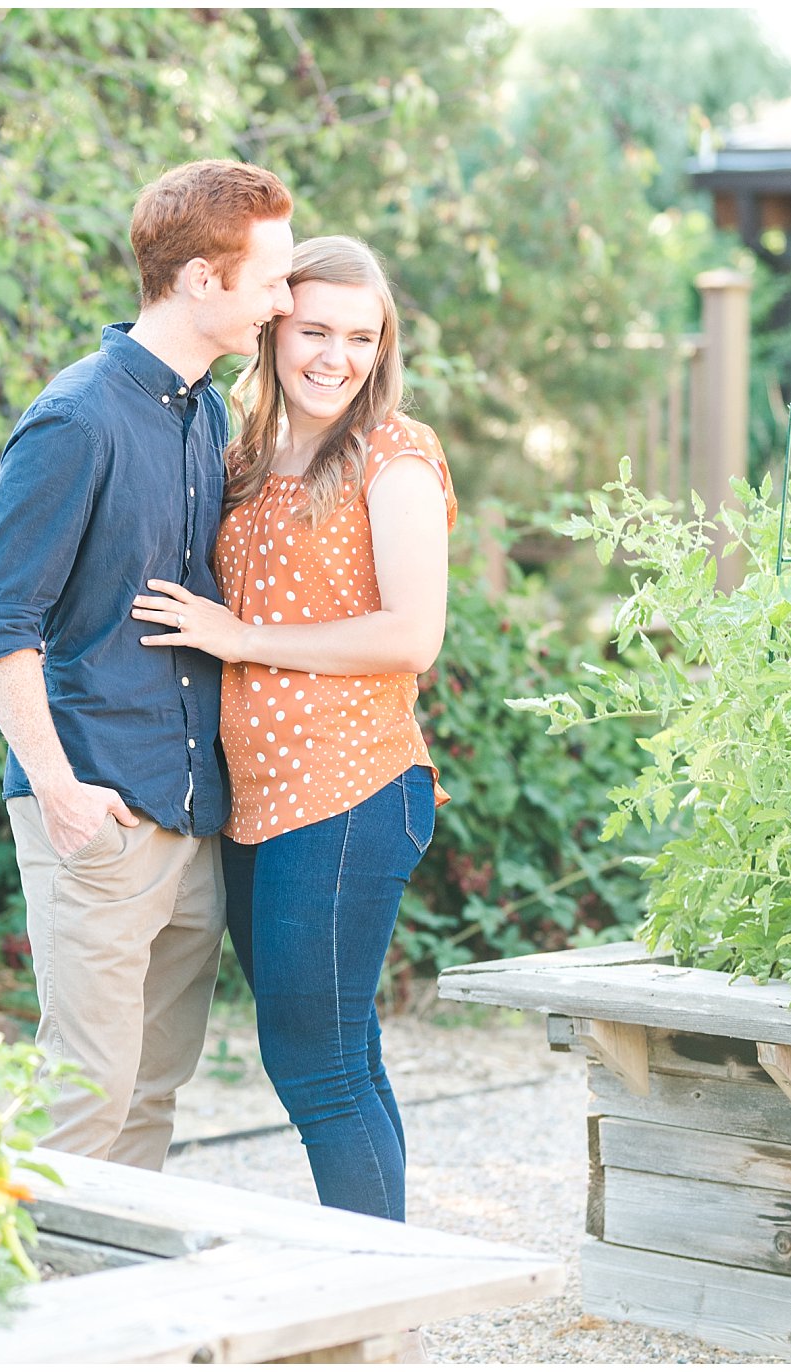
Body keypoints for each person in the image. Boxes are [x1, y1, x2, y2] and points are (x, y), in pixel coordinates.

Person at [0, 160, 296, 1170]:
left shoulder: (204, 413)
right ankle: (33, 1317)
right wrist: (58, 791)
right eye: (269, 279)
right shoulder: (75, 419)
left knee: (151, 1097)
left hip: (188, 815)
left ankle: (120, 1316)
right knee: (82, 1098)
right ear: (200, 280)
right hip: (96, 811)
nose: (282, 301)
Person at [131, 235, 455, 1218]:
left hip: (349, 790)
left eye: (359, 337)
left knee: (312, 1066)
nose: (335, 357)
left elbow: (411, 635)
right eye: (314, 328)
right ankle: (387, 1301)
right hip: (255, 803)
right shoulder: (236, 450)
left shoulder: (390, 454)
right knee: (341, 1055)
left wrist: (240, 636)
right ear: (272, 326)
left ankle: (364, 1308)